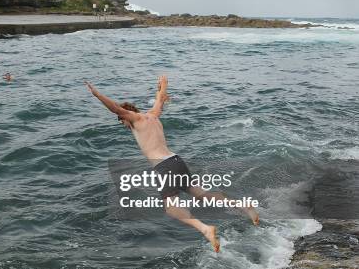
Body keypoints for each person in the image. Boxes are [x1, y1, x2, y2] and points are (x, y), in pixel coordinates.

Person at [86, 76, 258, 253]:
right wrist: (162, 87)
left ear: (126, 115)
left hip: (164, 167)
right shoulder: (153, 115)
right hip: (176, 161)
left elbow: (115, 108)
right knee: (201, 195)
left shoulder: (135, 119)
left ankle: (205, 229)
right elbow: (160, 100)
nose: (123, 124)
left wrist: (97, 94)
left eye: (122, 120)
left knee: (172, 209)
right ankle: (243, 206)